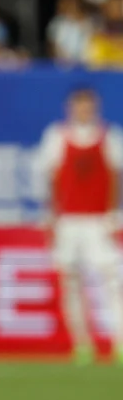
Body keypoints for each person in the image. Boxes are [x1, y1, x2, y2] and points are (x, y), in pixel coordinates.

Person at [38, 88, 123, 364]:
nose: (83, 110)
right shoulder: (56, 136)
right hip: (68, 221)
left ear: (96, 107)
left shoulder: (109, 136)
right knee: (71, 281)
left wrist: (113, 213)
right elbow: (51, 177)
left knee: (113, 280)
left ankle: (118, 341)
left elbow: (114, 176)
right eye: (78, 105)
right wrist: (51, 216)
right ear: (70, 107)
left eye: (88, 105)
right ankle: (81, 343)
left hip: (98, 220)